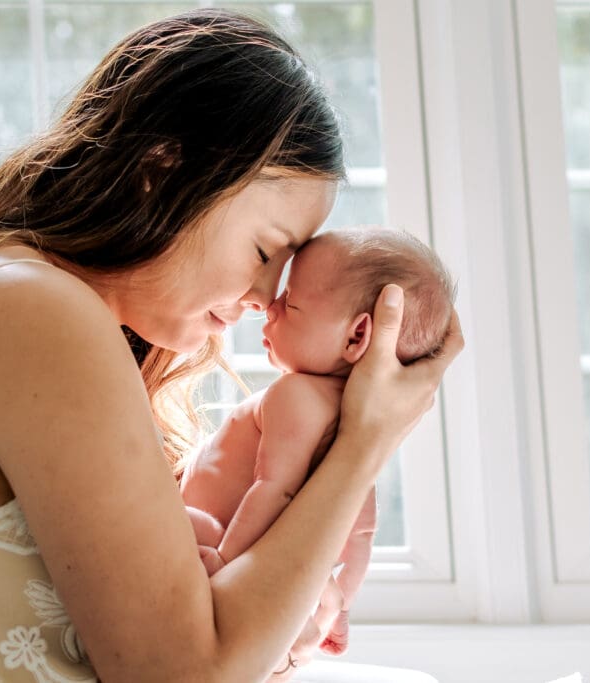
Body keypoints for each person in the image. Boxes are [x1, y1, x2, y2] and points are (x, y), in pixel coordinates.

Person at [0, 9, 463, 683]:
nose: (262, 298)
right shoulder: (30, 311)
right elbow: (183, 673)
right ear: (160, 173)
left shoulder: (39, 307)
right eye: (262, 250)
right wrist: (364, 441)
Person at [180, 227, 456, 657]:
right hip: (285, 576)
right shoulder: (357, 429)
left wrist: (225, 561)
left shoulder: (296, 395)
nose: (269, 307)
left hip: (212, 537)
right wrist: (338, 598)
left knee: (173, 523)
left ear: (357, 336)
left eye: (290, 302)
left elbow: (273, 489)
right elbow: (361, 532)